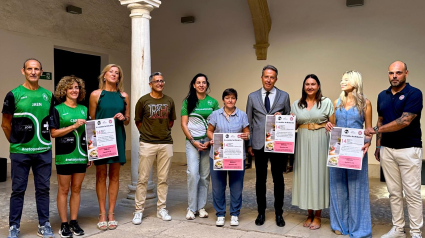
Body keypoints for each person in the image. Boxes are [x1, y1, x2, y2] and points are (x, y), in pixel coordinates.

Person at [365, 61, 423, 238]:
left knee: (412, 193)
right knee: (394, 193)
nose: (394, 76)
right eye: (391, 73)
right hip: (387, 150)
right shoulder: (382, 95)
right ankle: (398, 228)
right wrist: (378, 145)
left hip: (409, 149)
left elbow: (404, 121)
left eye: (398, 73)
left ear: (406, 73)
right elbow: (380, 119)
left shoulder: (414, 93)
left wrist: (375, 131)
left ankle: (415, 232)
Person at [2, 58, 55, 238]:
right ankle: (14, 227)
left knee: (43, 189)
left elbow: (52, 122)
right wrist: (16, 143)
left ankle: (44, 224)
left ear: (41, 72)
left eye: (37, 69)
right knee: (18, 190)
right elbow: (5, 124)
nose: (33, 72)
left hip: (44, 152)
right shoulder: (13, 94)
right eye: (29, 69)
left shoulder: (48, 95)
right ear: (23, 71)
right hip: (20, 153)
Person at [325, 71, 372, 237]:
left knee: (357, 189)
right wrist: (328, 127)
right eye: (341, 79)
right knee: (337, 187)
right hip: (337, 150)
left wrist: (368, 142)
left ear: (355, 82)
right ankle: (339, 224)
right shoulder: (336, 102)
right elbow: (331, 125)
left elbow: (368, 129)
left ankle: (359, 227)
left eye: (346, 80)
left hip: (356, 151)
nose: (342, 82)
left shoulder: (366, 103)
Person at [246, 65, 290, 227]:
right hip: (258, 144)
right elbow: (248, 123)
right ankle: (261, 212)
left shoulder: (284, 96)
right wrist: (249, 144)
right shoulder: (252, 97)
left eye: (272, 77)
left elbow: (288, 120)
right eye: (266, 77)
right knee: (260, 180)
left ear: (276, 79)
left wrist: (283, 116)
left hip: (278, 144)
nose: (269, 80)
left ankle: (279, 213)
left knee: (278, 180)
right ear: (261, 77)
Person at [49, 76, 93, 237]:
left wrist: (91, 154)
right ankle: (64, 224)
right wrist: (73, 126)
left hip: (81, 155)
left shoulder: (84, 109)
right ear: (64, 91)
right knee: (64, 189)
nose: (74, 90)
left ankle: (74, 221)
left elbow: (90, 134)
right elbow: (53, 133)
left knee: (76, 189)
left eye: (77, 87)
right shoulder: (57, 109)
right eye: (70, 88)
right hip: (64, 156)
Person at [89, 64, 130, 230]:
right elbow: (91, 120)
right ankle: (102, 213)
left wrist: (123, 117)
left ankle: (111, 213)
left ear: (119, 77)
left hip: (118, 137)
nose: (114, 75)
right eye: (111, 72)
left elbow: (128, 119)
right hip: (101, 138)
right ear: (104, 75)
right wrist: (90, 148)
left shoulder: (124, 96)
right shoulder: (96, 95)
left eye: (117, 73)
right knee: (100, 175)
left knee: (114, 175)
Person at [132, 72, 176, 225]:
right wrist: (146, 133)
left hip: (165, 143)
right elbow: (138, 121)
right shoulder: (143, 101)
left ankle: (161, 209)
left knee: (163, 179)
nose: (159, 83)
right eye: (156, 81)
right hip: (147, 143)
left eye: (161, 81)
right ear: (150, 84)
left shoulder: (169, 100)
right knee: (142, 179)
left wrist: (162, 132)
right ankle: (138, 211)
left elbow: (171, 121)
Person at [291, 74, 334, 230]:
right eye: (307, 84)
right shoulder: (296, 104)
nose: (310, 86)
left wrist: (329, 125)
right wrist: (283, 120)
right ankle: (309, 213)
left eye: (313, 84)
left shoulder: (326, 102)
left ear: (318, 86)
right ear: (304, 86)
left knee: (318, 175)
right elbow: (293, 126)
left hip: (320, 141)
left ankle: (318, 215)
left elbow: (333, 123)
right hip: (302, 141)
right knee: (305, 176)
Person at [207, 88, 250, 227]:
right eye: (227, 98)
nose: (230, 100)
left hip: (236, 156)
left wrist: (246, 135)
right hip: (218, 155)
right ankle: (220, 214)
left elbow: (247, 132)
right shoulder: (215, 114)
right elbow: (209, 131)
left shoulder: (242, 115)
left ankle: (234, 214)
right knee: (218, 186)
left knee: (236, 186)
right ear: (223, 99)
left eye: (232, 98)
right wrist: (212, 139)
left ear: (236, 99)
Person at [181, 73, 219, 220]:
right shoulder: (187, 102)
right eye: (198, 82)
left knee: (204, 176)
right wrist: (192, 140)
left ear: (206, 85)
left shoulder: (213, 102)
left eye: (204, 82)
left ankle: (201, 207)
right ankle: (191, 208)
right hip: (192, 142)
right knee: (192, 174)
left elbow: (216, 123)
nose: (201, 85)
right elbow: (184, 124)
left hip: (208, 142)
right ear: (194, 85)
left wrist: (210, 141)